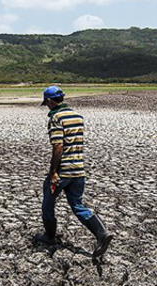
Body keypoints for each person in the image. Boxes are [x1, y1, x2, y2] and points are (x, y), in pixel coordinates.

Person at [34, 85, 113, 259]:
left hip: (63, 172)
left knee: (48, 204)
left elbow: (58, 146)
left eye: (46, 103)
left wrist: (53, 172)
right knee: (77, 205)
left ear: (49, 101)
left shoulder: (56, 118)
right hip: (78, 170)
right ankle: (101, 234)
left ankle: (49, 237)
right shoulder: (77, 116)